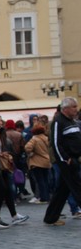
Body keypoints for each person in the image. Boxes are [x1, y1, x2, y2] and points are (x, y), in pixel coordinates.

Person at [44, 97, 81, 226]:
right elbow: (55, 142)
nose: (76, 109)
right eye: (74, 107)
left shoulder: (72, 121)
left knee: (62, 191)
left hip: (75, 159)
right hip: (67, 161)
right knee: (77, 186)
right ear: (65, 109)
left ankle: (50, 217)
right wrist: (65, 159)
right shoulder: (58, 121)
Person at [24, 123, 51, 203]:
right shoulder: (46, 138)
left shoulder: (34, 139)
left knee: (40, 181)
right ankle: (47, 196)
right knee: (46, 180)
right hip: (47, 161)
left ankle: (43, 198)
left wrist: (31, 153)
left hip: (37, 163)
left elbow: (27, 147)